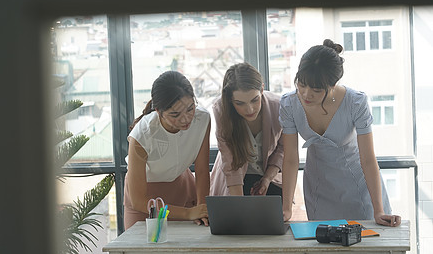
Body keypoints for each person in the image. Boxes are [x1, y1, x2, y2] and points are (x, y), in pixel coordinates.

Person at [280, 39, 401, 226]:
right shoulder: (289, 104)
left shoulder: (355, 103)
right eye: (301, 85)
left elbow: (368, 159)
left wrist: (379, 210)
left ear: (333, 85)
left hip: (359, 187)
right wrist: (286, 207)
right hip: (318, 189)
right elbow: (290, 159)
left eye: (316, 90)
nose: (306, 94)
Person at [123, 71, 211, 230]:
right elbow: (138, 200)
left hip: (183, 188)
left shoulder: (202, 119)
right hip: (146, 201)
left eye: (190, 109)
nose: (186, 119)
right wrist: (188, 213)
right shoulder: (142, 134)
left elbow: (203, 169)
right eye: (175, 114)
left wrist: (201, 208)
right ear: (158, 111)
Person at [210, 62, 284, 196]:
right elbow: (230, 161)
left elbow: (282, 150)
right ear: (230, 99)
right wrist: (240, 205)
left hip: (269, 177)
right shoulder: (221, 110)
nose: (249, 109)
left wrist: (267, 179)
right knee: (234, 213)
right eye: (240, 103)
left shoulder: (278, 107)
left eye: (255, 100)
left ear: (262, 89)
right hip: (233, 179)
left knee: (273, 213)